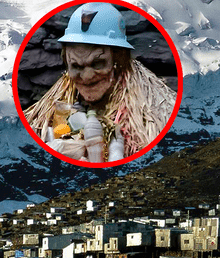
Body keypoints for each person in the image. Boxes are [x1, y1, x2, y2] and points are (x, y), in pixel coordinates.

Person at [24, 2, 176, 162]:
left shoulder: (153, 116)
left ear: (119, 60)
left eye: (97, 63)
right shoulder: (53, 111)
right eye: (76, 65)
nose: (87, 76)